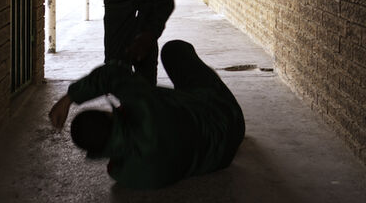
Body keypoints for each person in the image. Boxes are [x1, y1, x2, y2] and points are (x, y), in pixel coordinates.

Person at [48, 40, 245, 189]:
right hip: (225, 115)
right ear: (109, 116)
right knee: (174, 50)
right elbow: (112, 75)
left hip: (221, 159)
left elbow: (116, 164)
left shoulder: (125, 175)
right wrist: (68, 99)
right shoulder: (144, 107)